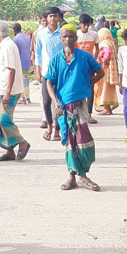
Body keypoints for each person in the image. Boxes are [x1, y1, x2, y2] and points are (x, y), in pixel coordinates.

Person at [45, 25, 105, 192]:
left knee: (83, 139)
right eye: (64, 36)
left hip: (79, 104)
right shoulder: (56, 59)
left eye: (71, 36)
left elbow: (100, 73)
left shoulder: (85, 57)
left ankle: (83, 175)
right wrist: (55, 101)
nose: (67, 39)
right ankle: (72, 176)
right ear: (60, 39)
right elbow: (49, 82)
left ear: (75, 39)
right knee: (69, 141)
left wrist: (87, 84)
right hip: (62, 106)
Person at [0, 21, 30, 162]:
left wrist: (8, 92)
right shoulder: (4, 45)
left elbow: (11, 69)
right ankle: (10, 151)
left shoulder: (8, 46)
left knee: (3, 119)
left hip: (10, 90)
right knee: (1, 121)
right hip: (1, 89)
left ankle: (22, 142)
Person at [35, 7, 63, 140]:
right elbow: (38, 53)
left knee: (59, 101)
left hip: (61, 72)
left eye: (55, 16)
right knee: (46, 101)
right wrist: (37, 69)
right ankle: (49, 126)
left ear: (58, 18)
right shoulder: (41, 34)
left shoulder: (62, 34)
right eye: (50, 16)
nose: (52, 19)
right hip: (46, 72)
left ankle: (58, 129)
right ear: (47, 18)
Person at [76, 14, 100, 124]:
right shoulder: (76, 35)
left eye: (87, 25)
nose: (85, 27)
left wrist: (93, 60)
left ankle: (89, 114)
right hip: (77, 66)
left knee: (90, 89)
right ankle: (78, 113)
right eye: (83, 25)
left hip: (89, 66)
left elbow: (97, 49)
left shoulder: (94, 35)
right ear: (80, 24)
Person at [93, 28, 120, 115]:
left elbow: (107, 52)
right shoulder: (110, 42)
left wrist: (104, 61)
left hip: (105, 69)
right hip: (109, 70)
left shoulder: (104, 43)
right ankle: (107, 109)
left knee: (104, 89)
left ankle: (106, 109)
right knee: (108, 89)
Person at [12, 23, 32, 104]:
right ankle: (28, 97)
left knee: (20, 81)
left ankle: (23, 98)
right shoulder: (27, 38)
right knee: (26, 80)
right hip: (27, 62)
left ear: (14, 30)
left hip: (20, 63)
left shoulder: (15, 40)